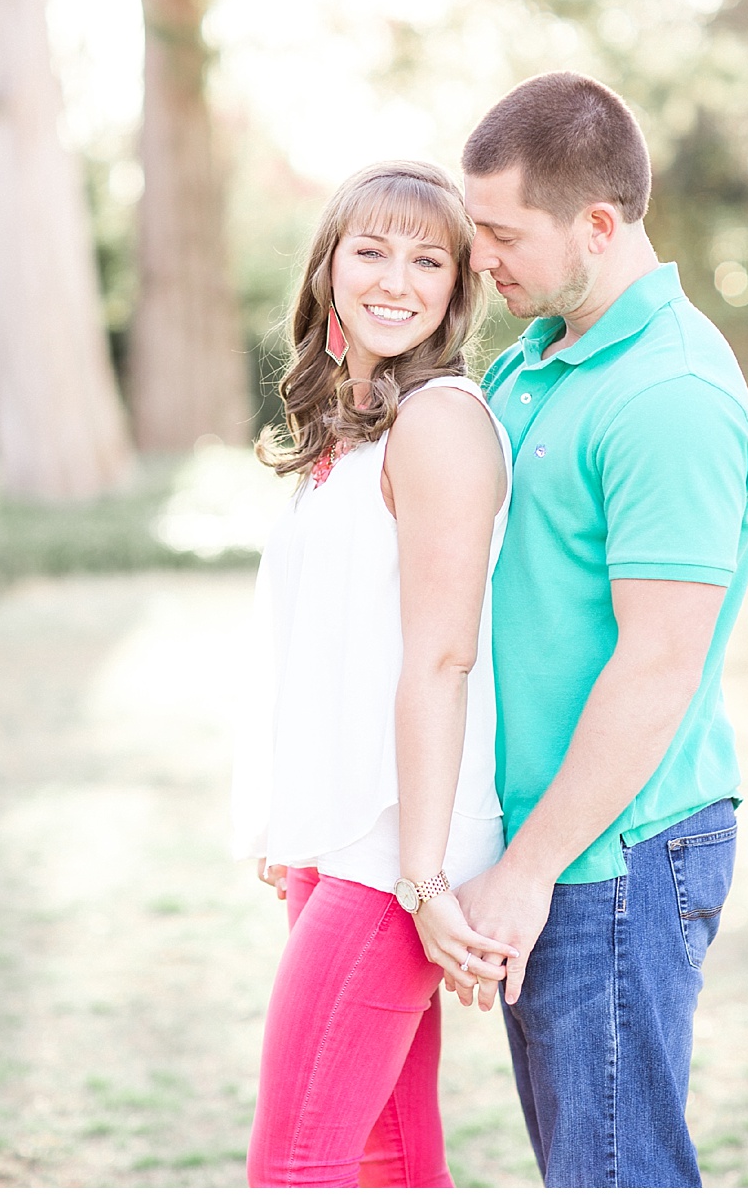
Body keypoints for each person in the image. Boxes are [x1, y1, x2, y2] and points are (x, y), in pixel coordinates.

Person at [454, 72, 748, 1187]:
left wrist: (529, 868)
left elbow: (660, 661)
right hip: (549, 844)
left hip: (615, 855)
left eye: (501, 234)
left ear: (597, 224)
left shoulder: (668, 396)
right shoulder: (532, 358)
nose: (480, 258)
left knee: (617, 1175)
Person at [232, 160, 520, 1187]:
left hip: (395, 850)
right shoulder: (354, 431)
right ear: (330, 267)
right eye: (372, 249)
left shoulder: (440, 419)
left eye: (427, 258)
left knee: (295, 1168)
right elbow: (326, 644)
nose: (396, 279)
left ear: (455, 288)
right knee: (390, 1161)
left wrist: (427, 876)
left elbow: (443, 656)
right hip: (341, 833)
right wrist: (289, 821)